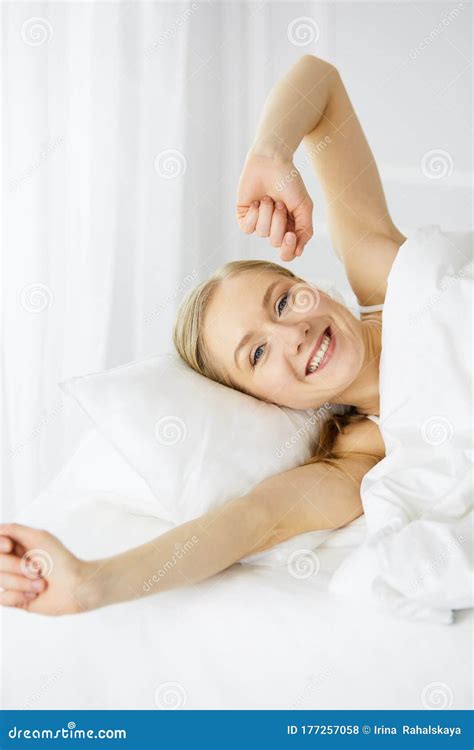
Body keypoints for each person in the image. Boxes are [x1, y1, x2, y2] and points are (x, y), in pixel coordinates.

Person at [0, 55, 405, 616]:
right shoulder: (360, 458)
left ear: (317, 288)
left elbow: (321, 81)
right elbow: (249, 523)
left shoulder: (385, 272)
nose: (294, 333)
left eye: (283, 301)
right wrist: (92, 584)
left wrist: (270, 153)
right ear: (265, 401)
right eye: (258, 353)